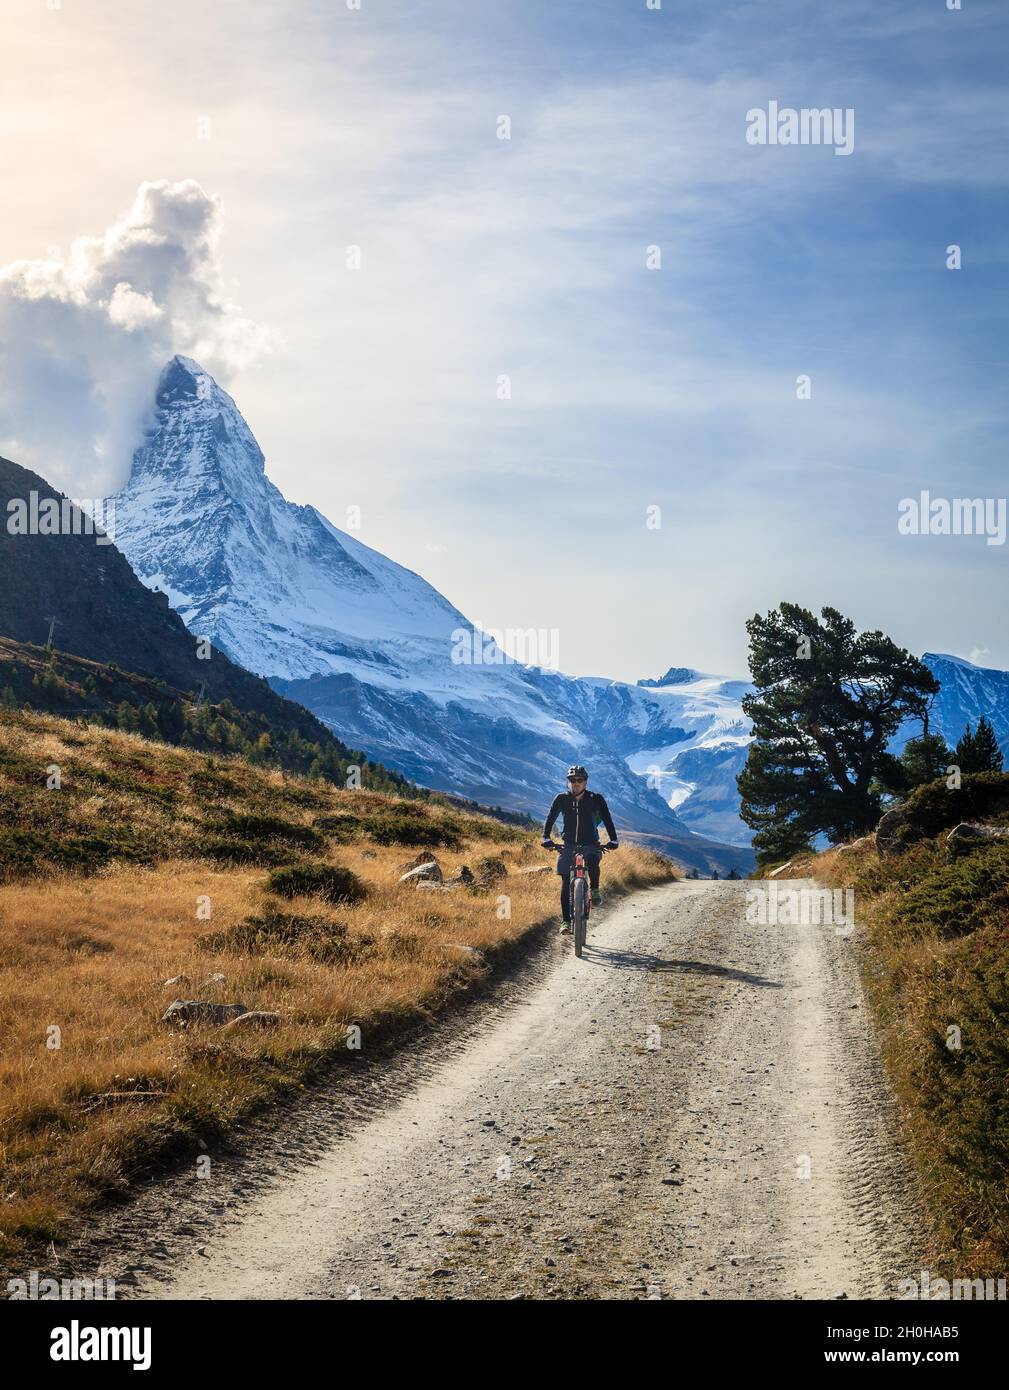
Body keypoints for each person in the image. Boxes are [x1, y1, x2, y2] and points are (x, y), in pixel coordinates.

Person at [541, 765, 619, 933]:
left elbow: (607, 818)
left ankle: (595, 889)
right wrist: (546, 837)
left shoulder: (595, 798)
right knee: (565, 881)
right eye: (572, 780)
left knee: (593, 861)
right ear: (568, 782)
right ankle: (566, 922)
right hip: (568, 844)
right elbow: (551, 817)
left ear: (585, 781)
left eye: (579, 780)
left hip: (590, 842)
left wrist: (614, 839)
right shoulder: (561, 799)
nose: (575, 783)